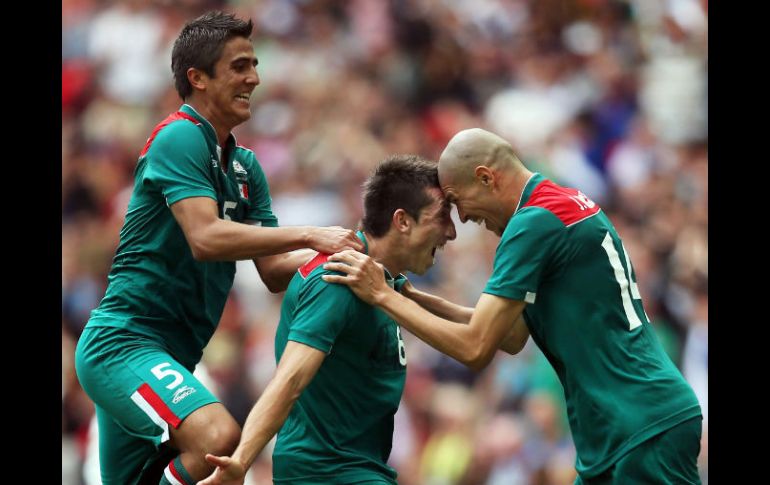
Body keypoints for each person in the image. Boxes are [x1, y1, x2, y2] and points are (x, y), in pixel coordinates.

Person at [74, 11, 362, 485]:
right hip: (124, 344)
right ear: (198, 78)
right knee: (217, 441)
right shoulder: (180, 135)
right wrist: (312, 234)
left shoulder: (246, 167)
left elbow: (273, 270)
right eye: (240, 66)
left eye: (255, 65)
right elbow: (205, 238)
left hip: (171, 357)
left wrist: (350, 253)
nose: (255, 78)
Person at [323, 128, 703, 484]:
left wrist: (382, 296)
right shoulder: (558, 203)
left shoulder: (531, 224)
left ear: (486, 178)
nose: (463, 218)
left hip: (639, 422)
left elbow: (475, 346)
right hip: (623, 422)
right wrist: (413, 296)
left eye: (457, 200)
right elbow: (511, 335)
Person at [199, 155, 519, 485]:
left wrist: (406, 295)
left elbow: (505, 336)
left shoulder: (382, 282)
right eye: (441, 217)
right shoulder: (339, 278)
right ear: (402, 221)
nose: (451, 232)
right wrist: (241, 460)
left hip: (357, 468)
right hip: (326, 473)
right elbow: (290, 380)